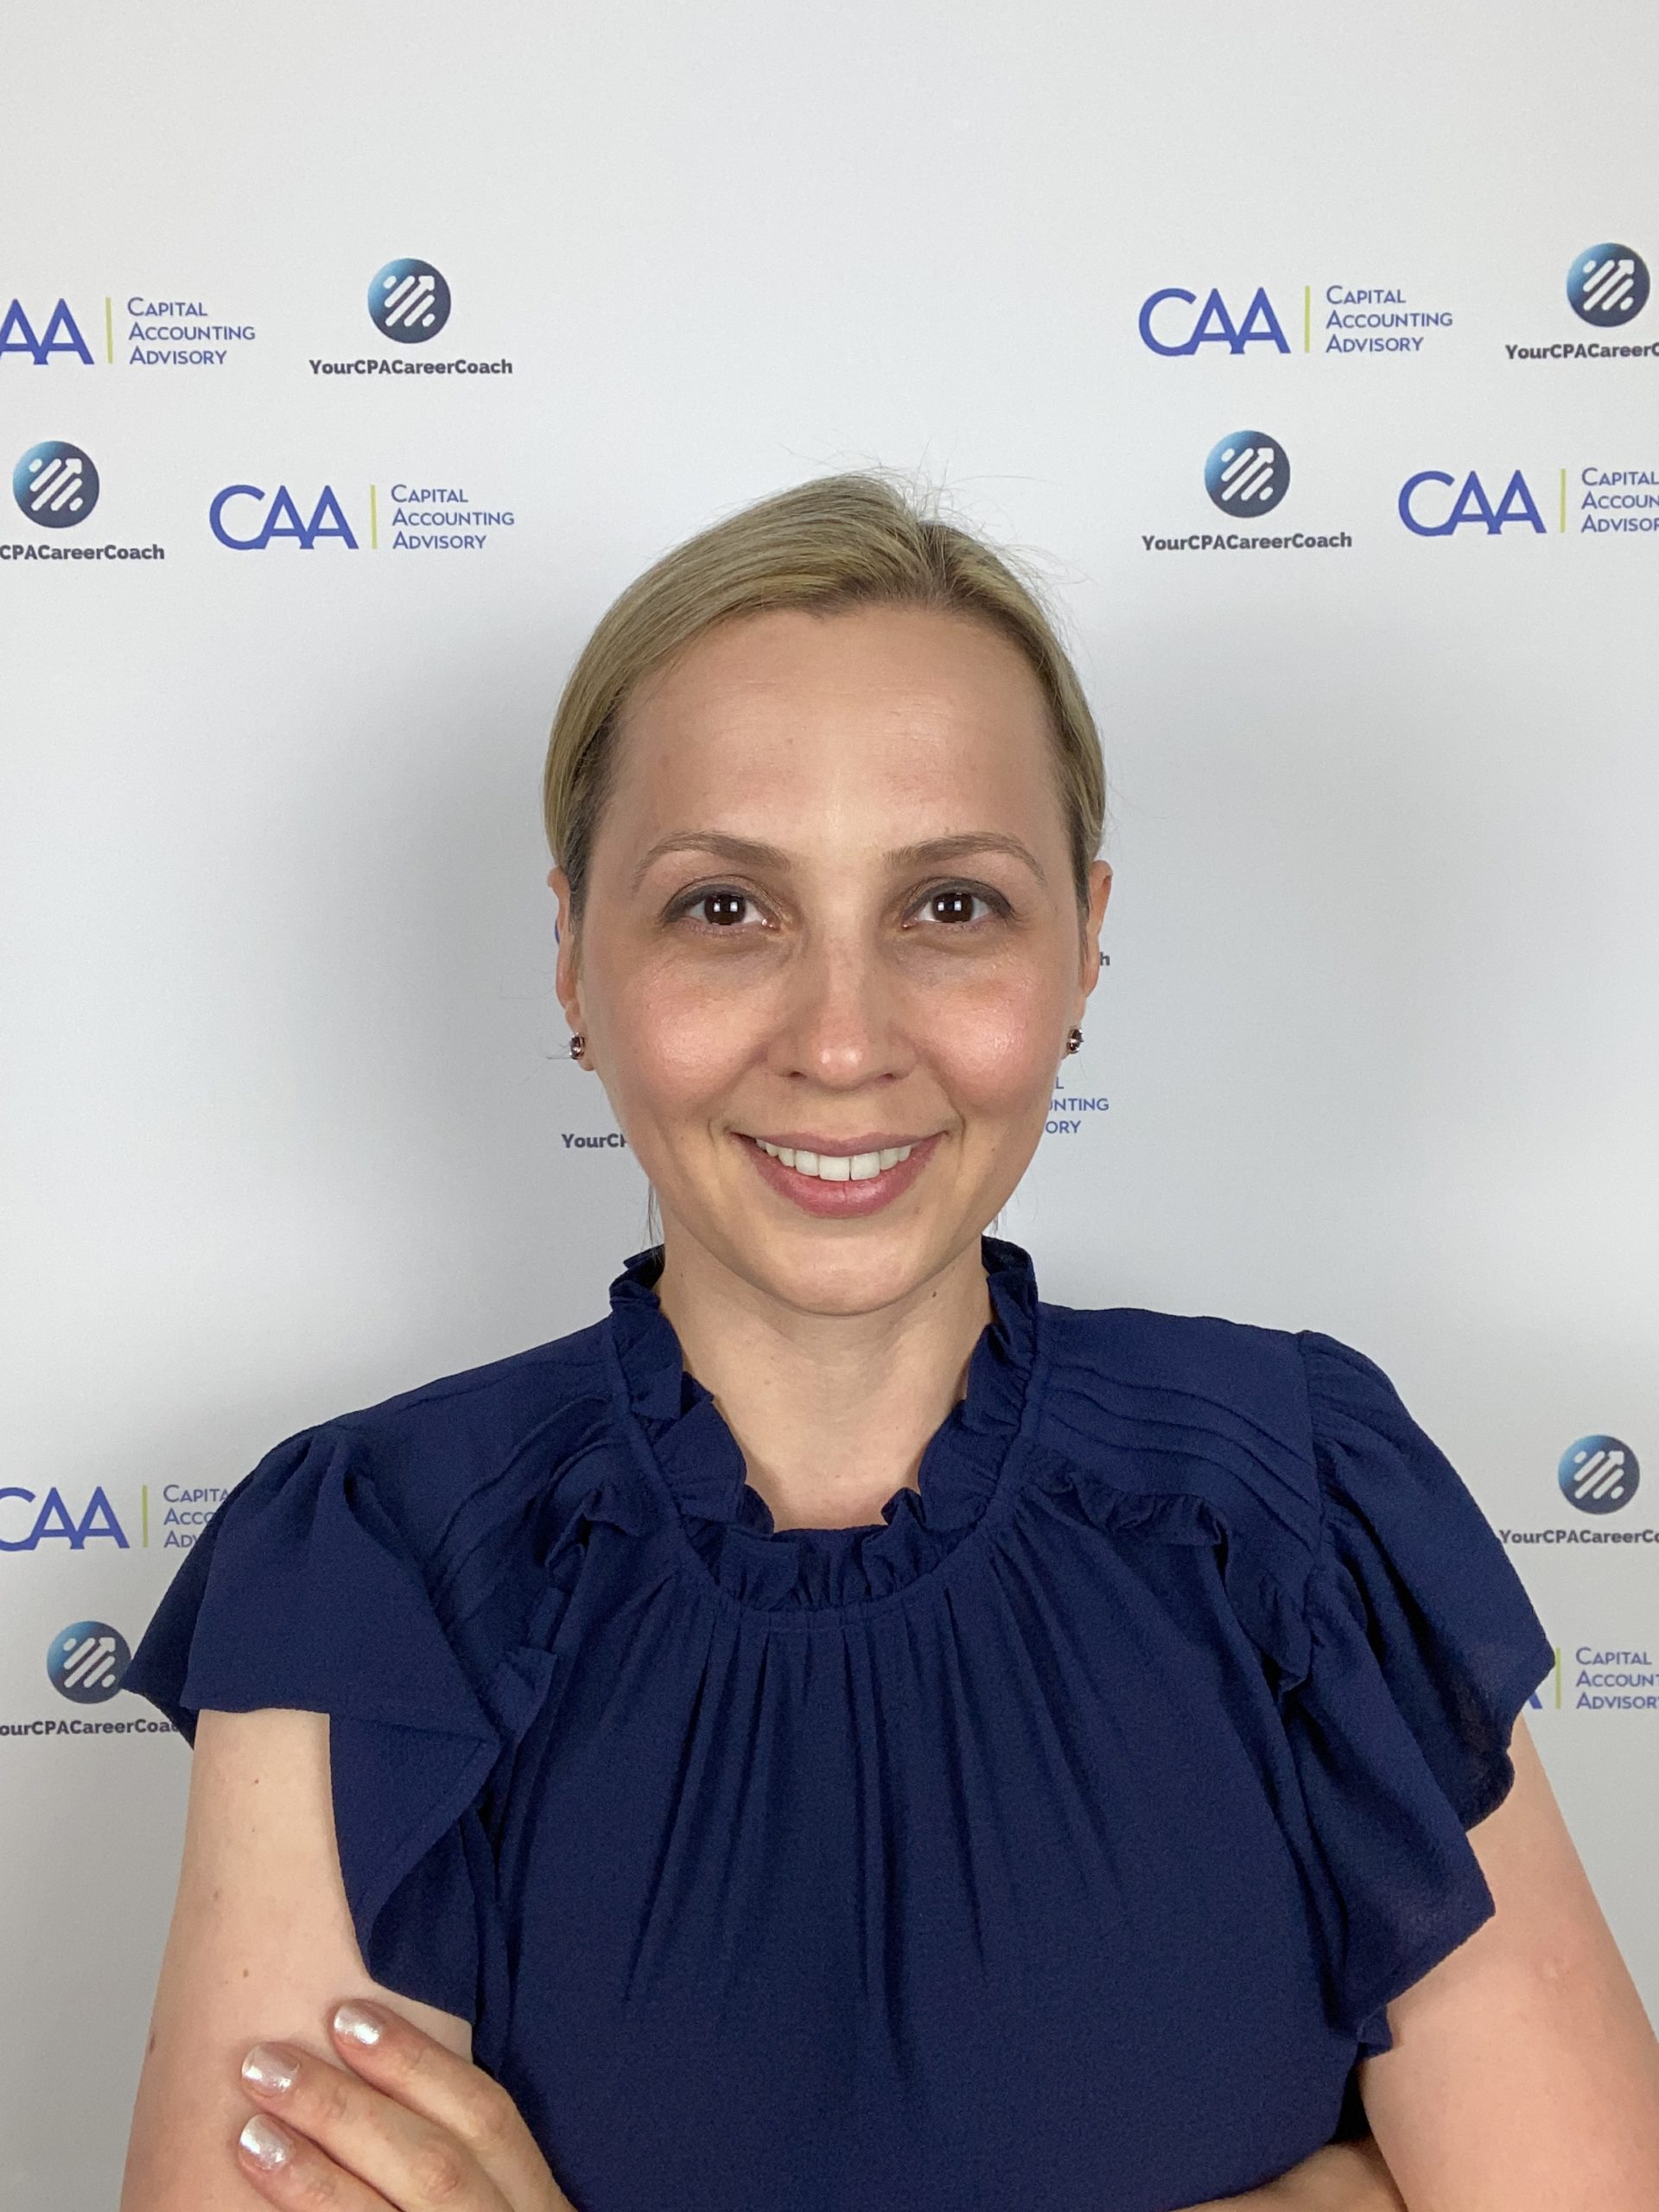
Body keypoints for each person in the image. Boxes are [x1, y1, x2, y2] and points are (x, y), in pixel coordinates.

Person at [119, 471, 1659, 2212]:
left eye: (949, 906)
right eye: (724, 905)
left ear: (1083, 939)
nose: (840, 1040)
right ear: (570, 956)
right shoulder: (374, 1556)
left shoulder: (1298, 1496)